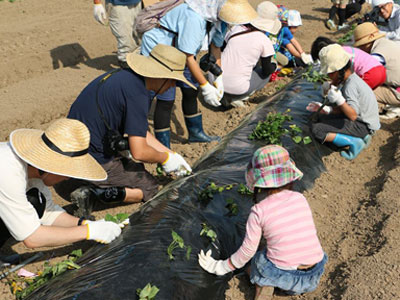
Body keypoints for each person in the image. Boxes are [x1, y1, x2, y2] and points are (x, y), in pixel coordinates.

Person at [55, 44, 193, 218]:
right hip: (92, 156)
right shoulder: (138, 94)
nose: (173, 85)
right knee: (149, 186)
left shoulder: (124, 78)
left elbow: (141, 132)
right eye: (173, 80)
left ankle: (89, 182)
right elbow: (139, 151)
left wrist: (171, 154)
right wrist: (164, 159)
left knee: (135, 168)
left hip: (68, 150)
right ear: (161, 76)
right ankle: (93, 195)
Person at [198, 145, 327, 300]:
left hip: (284, 276)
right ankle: (291, 290)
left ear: (258, 182)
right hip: (315, 272)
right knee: (278, 248)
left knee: (259, 259)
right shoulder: (300, 198)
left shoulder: (259, 211)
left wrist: (220, 266)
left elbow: (247, 252)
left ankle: (263, 285)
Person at [140, 0, 258, 148]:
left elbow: (216, 47)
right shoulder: (194, 17)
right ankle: (162, 146)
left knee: (191, 90)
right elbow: (188, 56)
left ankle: (196, 134)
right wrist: (205, 85)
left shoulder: (218, 19)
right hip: (161, 50)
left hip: (183, 50)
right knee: (166, 100)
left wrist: (218, 77)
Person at [0, 118, 123, 250]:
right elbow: (32, 238)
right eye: (67, 173)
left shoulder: (34, 168)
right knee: (17, 217)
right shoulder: (7, 169)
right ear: (51, 167)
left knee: (35, 202)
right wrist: (87, 232)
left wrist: (84, 224)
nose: (66, 179)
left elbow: (48, 212)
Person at [307, 44, 380, 160]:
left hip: (362, 125)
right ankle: (361, 137)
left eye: (330, 73)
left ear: (338, 71)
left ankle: (354, 142)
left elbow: (353, 115)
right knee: (319, 116)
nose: (328, 76)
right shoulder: (352, 79)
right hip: (364, 122)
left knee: (317, 130)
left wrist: (339, 100)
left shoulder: (350, 86)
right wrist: (328, 109)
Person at [220, 1, 280, 108]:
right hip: (237, 87)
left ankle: (223, 93)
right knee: (266, 73)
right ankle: (238, 97)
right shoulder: (264, 40)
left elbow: (223, 49)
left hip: (216, 81)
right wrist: (274, 66)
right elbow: (267, 70)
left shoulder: (235, 29)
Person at [353, 22, 400, 118]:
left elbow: (366, 71)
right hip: (395, 85)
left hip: (397, 90)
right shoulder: (386, 43)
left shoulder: (378, 54)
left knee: (358, 93)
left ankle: (384, 108)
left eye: (361, 45)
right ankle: (383, 106)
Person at [310, 36, 386, 90]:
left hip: (371, 74)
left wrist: (331, 85)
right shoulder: (343, 49)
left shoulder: (337, 55)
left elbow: (340, 76)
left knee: (352, 95)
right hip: (381, 70)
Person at [93, 0, 142, 67]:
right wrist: (97, 3)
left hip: (138, 2)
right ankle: (126, 67)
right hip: (118, 5)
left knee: (140, 40)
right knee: (126, 42)